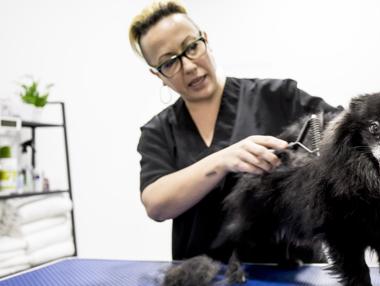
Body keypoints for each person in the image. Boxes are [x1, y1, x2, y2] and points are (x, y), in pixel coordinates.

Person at [129, 0, 340, 263]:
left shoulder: (278, 97)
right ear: (157, 75)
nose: (189, 67)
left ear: (205, 40)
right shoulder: (159, 131)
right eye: (170, 62)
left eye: (192, 47)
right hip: (201, 275)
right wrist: (223, 160)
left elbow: (345, 129)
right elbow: (156, 204)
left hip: (289, 271)